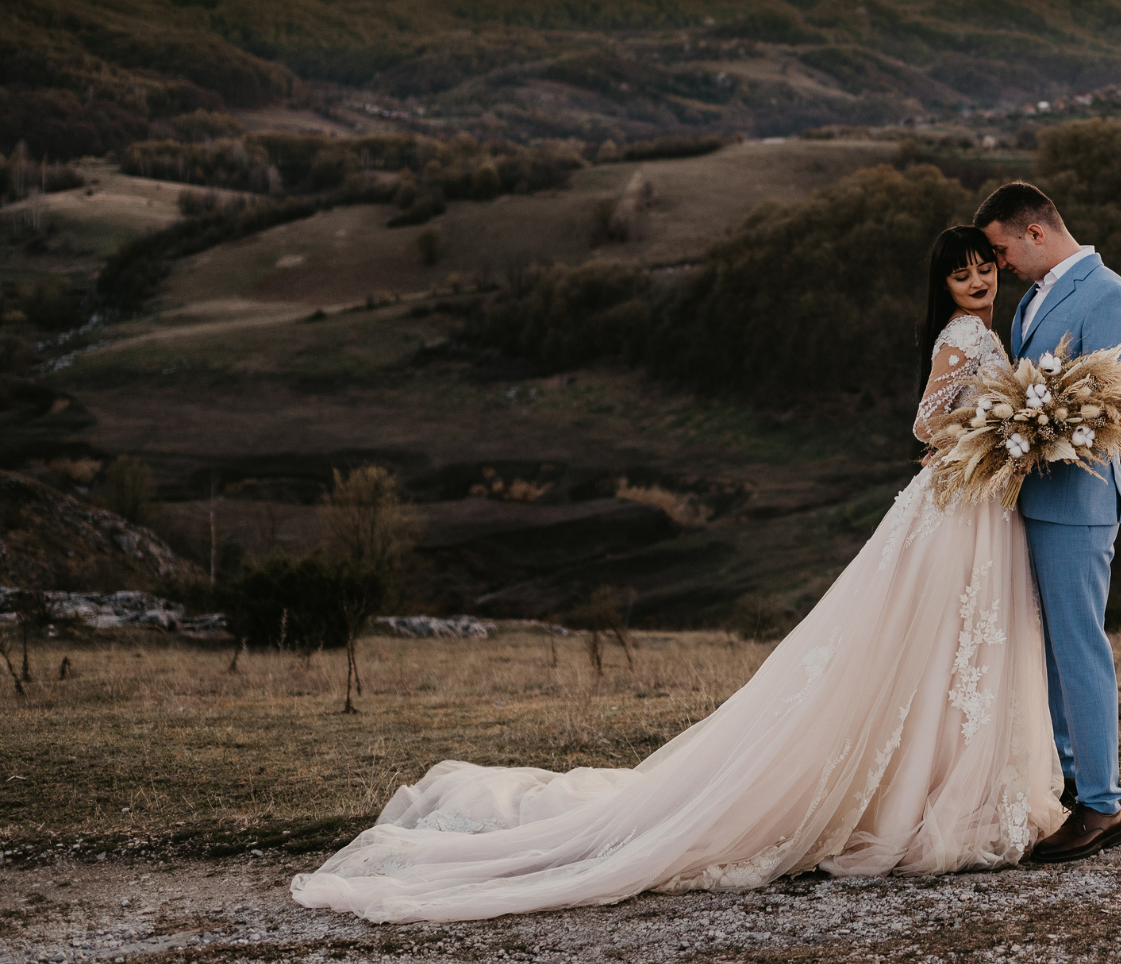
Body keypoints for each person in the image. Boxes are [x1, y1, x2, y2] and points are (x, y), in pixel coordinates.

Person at [290, 226, 1066, 923]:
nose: (977, 281)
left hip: (976, 504)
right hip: (957, 506)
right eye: (962, 273)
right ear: (944, 285)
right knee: (940, 643)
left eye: (983, 270)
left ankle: (944, 784)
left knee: (956, 649)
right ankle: (930, 794)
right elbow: (925, 422)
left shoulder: (985, 333)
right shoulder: (964, 336)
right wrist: (992, 426)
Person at [975, 180, 1121, 864]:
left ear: (1035, 233)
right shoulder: (1032, 298)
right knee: (1046, 650)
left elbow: (1106, 411)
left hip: (1077, 503)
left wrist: (1030, 428)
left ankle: (1102, 806)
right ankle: (1070, 778)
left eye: (1002, 249)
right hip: (1032, 499)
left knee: (1078, 647)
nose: (1000, 264)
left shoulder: (1109, 296)